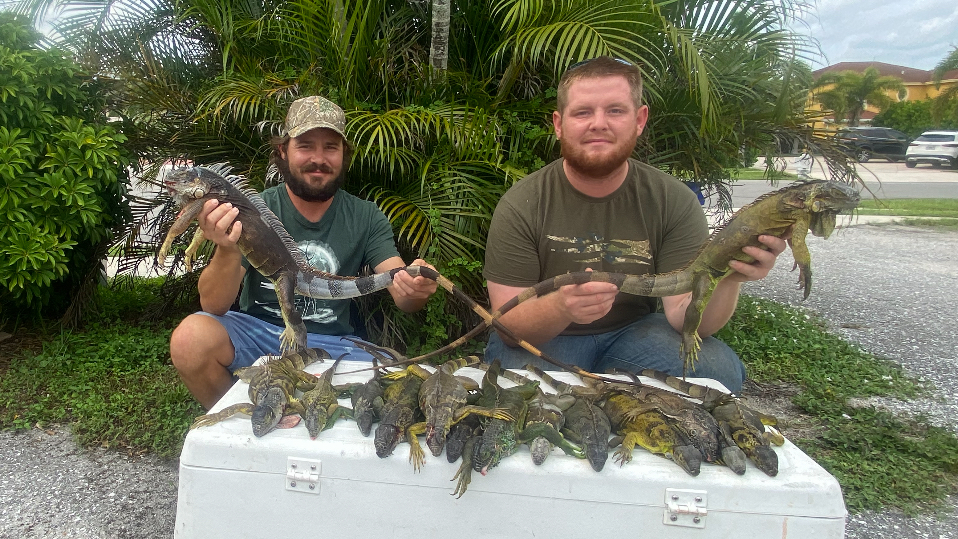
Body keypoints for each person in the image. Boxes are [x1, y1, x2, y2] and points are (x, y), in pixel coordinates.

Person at [482, 57, 786, 393]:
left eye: (615, 110)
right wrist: (560, 305)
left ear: (639, 119)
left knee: (717, 371)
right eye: (583, 112)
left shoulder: (673, 200)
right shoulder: (522, 204)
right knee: (513, 390)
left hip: (632, 338)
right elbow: (507, 327)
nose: (598, 124)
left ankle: (613, 390)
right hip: (547, 341)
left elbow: (685, 317)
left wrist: (729, 277)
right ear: (559, 124)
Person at [170, 96, 439, 408]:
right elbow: (213, 305)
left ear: (344, 155)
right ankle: (242, 423)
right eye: (306, 145)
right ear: (284, 151)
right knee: (192, 338)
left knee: (406, 378)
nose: (318, 158)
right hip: (261, 337)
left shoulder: (366, 216)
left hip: (336, 344)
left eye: (330, 147)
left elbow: (400, 287)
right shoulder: (254, 206)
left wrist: (413, 285)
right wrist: (227, 248)